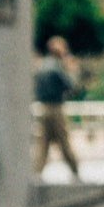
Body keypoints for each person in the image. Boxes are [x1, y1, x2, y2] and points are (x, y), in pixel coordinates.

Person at [32, 36, 81, 180]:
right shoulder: (57, 68)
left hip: (43, 108)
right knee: (64, 142)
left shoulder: (42, 66)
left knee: (43, 144)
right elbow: (72, 86)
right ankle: (75, 171)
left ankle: (36, 173)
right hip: (56, 108)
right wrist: (72, 70)